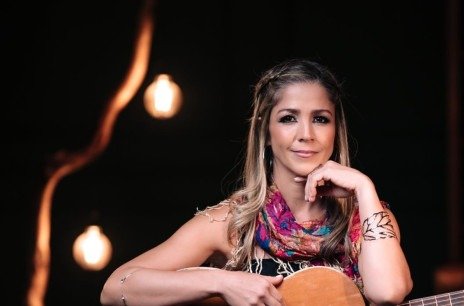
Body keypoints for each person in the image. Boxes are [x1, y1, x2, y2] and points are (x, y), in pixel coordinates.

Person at [100, 58, 412, 306]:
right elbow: (114, 289)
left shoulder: (370, 216)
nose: (306, 134)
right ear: (266, 131)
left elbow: (389, 293)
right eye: (288, 118)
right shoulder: (233, 222)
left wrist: (364, 188)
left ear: (335, 129)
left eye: (320, 119)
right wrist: (221, 282)